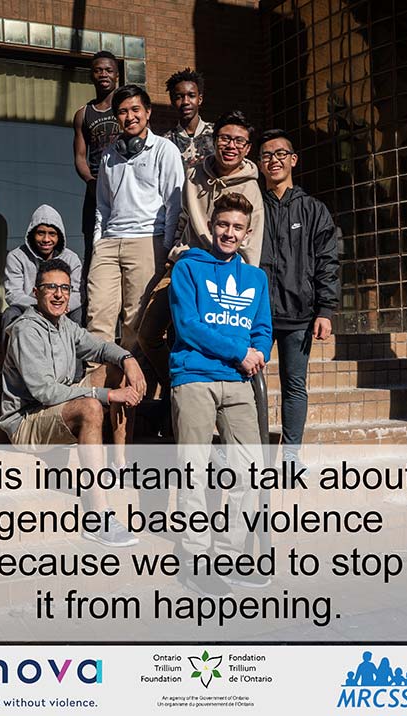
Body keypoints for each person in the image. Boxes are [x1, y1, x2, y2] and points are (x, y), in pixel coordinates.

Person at [0, 258, 146, 547]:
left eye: (65, 288)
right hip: (26, 423)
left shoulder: (64, 325)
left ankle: (118, 465)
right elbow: (45, 393)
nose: (58, 294)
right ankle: (97, 516)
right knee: (90, 407)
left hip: (53, 412)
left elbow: (101, 347)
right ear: (36, 291)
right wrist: (105, 396)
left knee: (114, 369)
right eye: (51, 287)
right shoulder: (26, 330)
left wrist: (128, 359)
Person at [169, 192, 272, 596]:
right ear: (211, 226)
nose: (229, 233)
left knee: (251, 470)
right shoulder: (188, 268)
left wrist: (257, 354)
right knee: (192, 470)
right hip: (194, 376)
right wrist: (238, 352)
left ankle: (228, 554)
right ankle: (196, 560)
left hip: (240, 380)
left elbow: (263, 330)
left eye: (237, 228)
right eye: (223, 224)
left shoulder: (256, 278)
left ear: (247, 234)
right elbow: (189, 326)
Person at [138, 110, 264, 394]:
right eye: (225, 138)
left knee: (201, 336)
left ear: (247, 148)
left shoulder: (252, 188)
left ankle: (201, 391)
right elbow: (183, 218)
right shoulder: (194, 174)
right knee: (147, 334)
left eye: (239, 142)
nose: (231, 146)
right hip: (185, 264)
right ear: (214, 139)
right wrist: (173, 254)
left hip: (222, 276)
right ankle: (175, 387)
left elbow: (250, 246)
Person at [258, 129, 339, 464]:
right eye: (266, 155)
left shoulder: (313, 210)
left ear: (293, 160)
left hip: (299, 314)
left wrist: (326, 309)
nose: (273, 160)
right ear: (259, 164)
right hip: (255, 314)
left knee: (294, 385)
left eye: (280, 154)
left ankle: (291, 456)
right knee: (250, 387)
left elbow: (328, 260)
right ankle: (255, 453)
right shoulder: (252, 206)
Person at [86, 84, 185, 353]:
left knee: (135, 323)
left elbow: (174, 204)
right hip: (108, 244)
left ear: (148, 112)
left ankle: (134, 390)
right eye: (122, 112)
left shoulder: (165, 150)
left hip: (146, 241)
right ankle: (99, 386)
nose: (129, 116)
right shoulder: (108, 155)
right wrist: (98, 240)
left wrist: (164, 246)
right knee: (98, 318)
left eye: (135, 109)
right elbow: (102, 206)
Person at [2, 205, 82, 338]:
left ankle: (75, 359)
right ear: (32, 234)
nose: (46, 239)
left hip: (62, 308)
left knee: (80, 314)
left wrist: (58, 307)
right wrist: (42, 306)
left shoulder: (71, 258)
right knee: (10, 314)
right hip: (29, 309)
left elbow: (78, 293)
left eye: (52, 234)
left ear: (59, 236)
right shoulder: (16, 256)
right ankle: (9, 359)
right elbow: (13, 294)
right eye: (41, 233)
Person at [73, 51, 120, 274]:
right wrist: (90, 181)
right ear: (91, 75)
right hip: (95, 190)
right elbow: (80, 156)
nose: (104, 74)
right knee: (93, 248)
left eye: (109, 70)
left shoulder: (126, 109)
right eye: (98, 70)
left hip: (124, 188)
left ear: (117, 75)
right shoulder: (83, 114)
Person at [163, 67, 214, 170]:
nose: (186, 101)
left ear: (199, 99)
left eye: (191, 95)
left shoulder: (216, 134)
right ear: (172, 101)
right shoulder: (166, 142)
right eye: (179, 97)